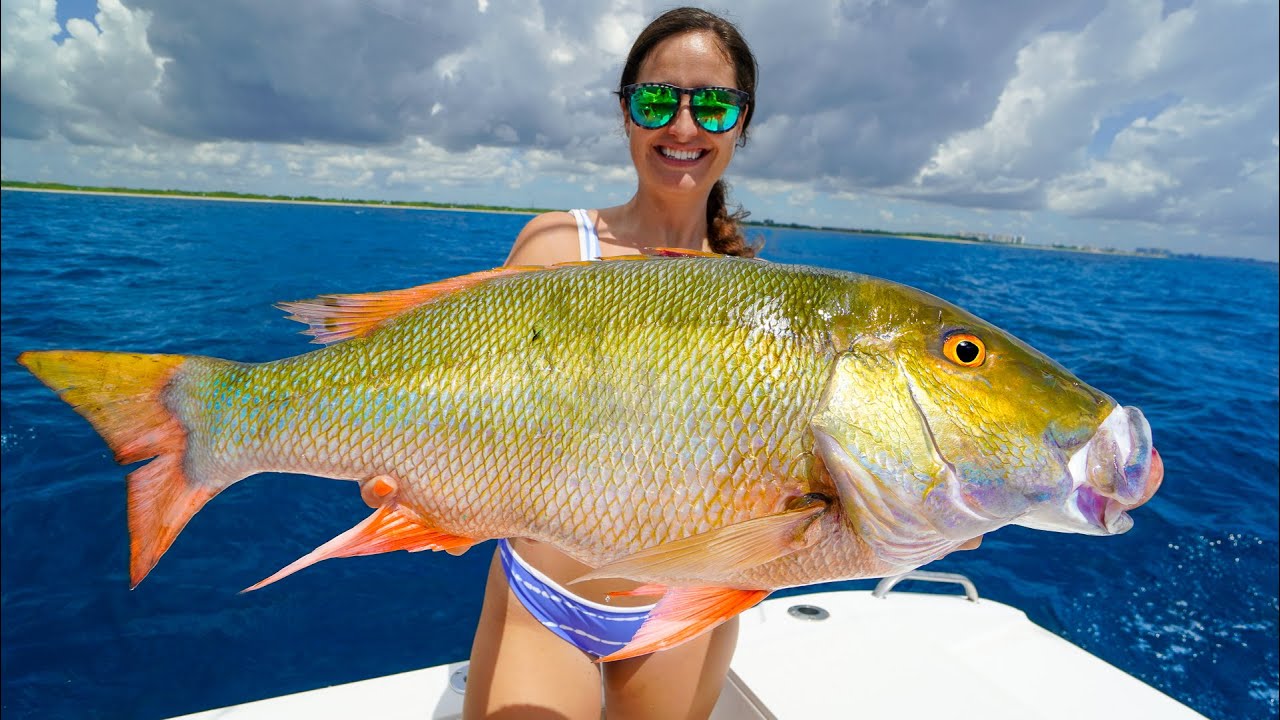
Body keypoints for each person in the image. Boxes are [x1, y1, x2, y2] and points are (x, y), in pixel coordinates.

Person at [462, 7, 759, 720]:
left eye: (712, 106)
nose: (683, 128)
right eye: (658, 101)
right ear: (627, 116)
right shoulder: (557, 248)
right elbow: (471, 401)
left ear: (741, 125)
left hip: (682, 610)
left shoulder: (755, 298)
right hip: (544, 604)